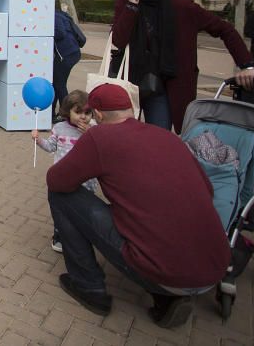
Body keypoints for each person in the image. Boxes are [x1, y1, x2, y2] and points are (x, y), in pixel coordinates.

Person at [47, 83, 230, 328]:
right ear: (131, 109)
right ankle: (165, 297)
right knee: (152, 225)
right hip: (214, 267)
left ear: (98, 115)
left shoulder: (100, 136)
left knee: (60, 195)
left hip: (163, 269)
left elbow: (57, 179)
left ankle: (88, 285)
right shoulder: (167, 137)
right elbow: (207, 189)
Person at [111, 0, 254, 132]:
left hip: (165, 84)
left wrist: (246, 64)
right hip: (131, 82)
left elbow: (225, 29)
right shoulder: (126, 4)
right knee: (123, 135)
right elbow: (118, 40)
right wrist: (132, 5)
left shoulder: (182, 7)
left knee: (159, 138)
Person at [33, 90, 95, 253]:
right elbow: (51, 147)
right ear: (68, 111)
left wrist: (90, 134)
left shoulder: (94, 130)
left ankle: (82, 237)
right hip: (63, 177)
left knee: (84, 209)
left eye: (87, 113)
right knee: (61, 208)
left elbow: (101, 149)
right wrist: (38, 140)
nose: (83, 117)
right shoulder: (59, 128)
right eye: (78, 112)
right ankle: (59, 235)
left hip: (86, 180)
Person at [53, 8, 85, 118]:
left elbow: (60, 33)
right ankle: (52, 112)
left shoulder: (54, 16)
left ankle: (66, 114)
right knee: (57, 82)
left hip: (66, 54)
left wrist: (44, 33)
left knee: (59, 84)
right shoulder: (61, 14)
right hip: (72, 52)